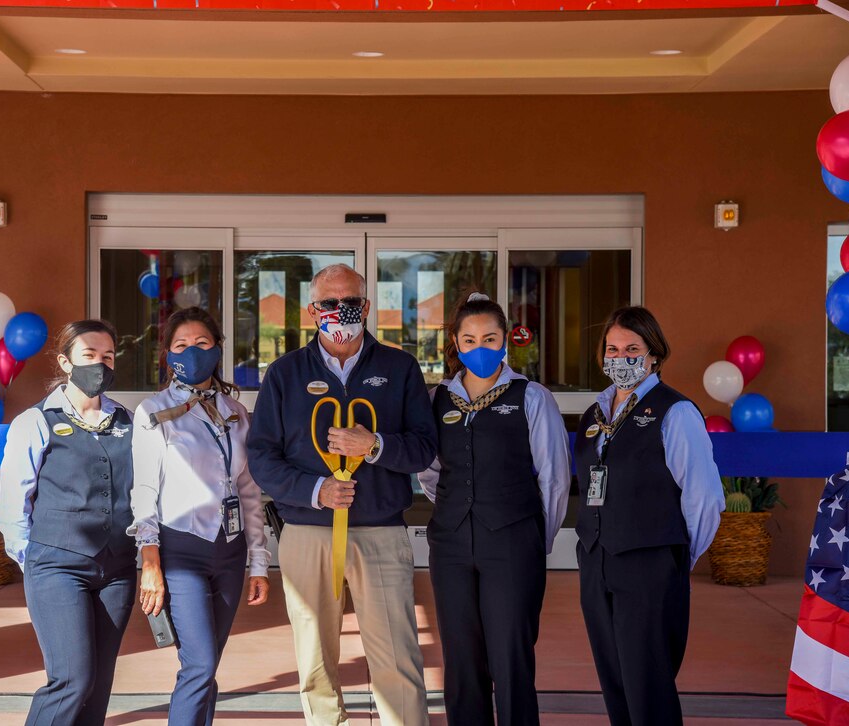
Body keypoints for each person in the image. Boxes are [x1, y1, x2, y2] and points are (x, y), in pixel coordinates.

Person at [247, 263, 437, 726]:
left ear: (366, 307)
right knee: (315, 661)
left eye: (349, 302)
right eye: (329, 303)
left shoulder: (400, 368)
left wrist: (374, 446)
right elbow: (262, 457)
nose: (340, 311)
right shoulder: (285, 373)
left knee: (397, 656)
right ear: (313, 311)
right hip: (307, 533)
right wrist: (315, 490)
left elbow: (425, 447)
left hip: (382, 532)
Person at [418, 292, 571, 726]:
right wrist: (457, 507)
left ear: (506, 341)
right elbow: (430, 471)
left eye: (489, 338)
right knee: (461, 659)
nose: (479, 348)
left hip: (512, 543)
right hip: (450, 545)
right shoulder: (437, 400)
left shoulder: (532, 397)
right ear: (455, 343)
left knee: (511, 656)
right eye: (469, 340)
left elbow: (555, 478)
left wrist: (530, 537)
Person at [574, 306, 724, 726]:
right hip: (598, 561)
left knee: (648, 685)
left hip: (649, 565)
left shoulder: (675, 413)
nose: (619, 358)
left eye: (631, 349)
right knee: (615, 680)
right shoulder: (594, 416)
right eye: (612, 349)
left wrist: (675, 558)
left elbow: (705, 497)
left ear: (654, 355)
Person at [128, 306, 270, 726]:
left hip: (229, 552)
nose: (192, 352)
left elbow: (248, 490)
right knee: (200, 665)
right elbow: (145, 493)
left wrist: (259, 561)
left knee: (207, 668)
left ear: (217, 350)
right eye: (181, 345)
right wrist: (149, 562)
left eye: (202, 343)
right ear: (167, 355)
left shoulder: (235, 412)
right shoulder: (152, 412)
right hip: (181, 551)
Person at [0, 319, 136, 726]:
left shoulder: (127, 421)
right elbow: (13, 505)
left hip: (117, 570)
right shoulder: (35, 421)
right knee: (73, 678)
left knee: (98, 684)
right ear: (65, 361)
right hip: (56, 565)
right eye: (89, 355)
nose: (100, 364)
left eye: (107, 356)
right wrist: (38, 559)